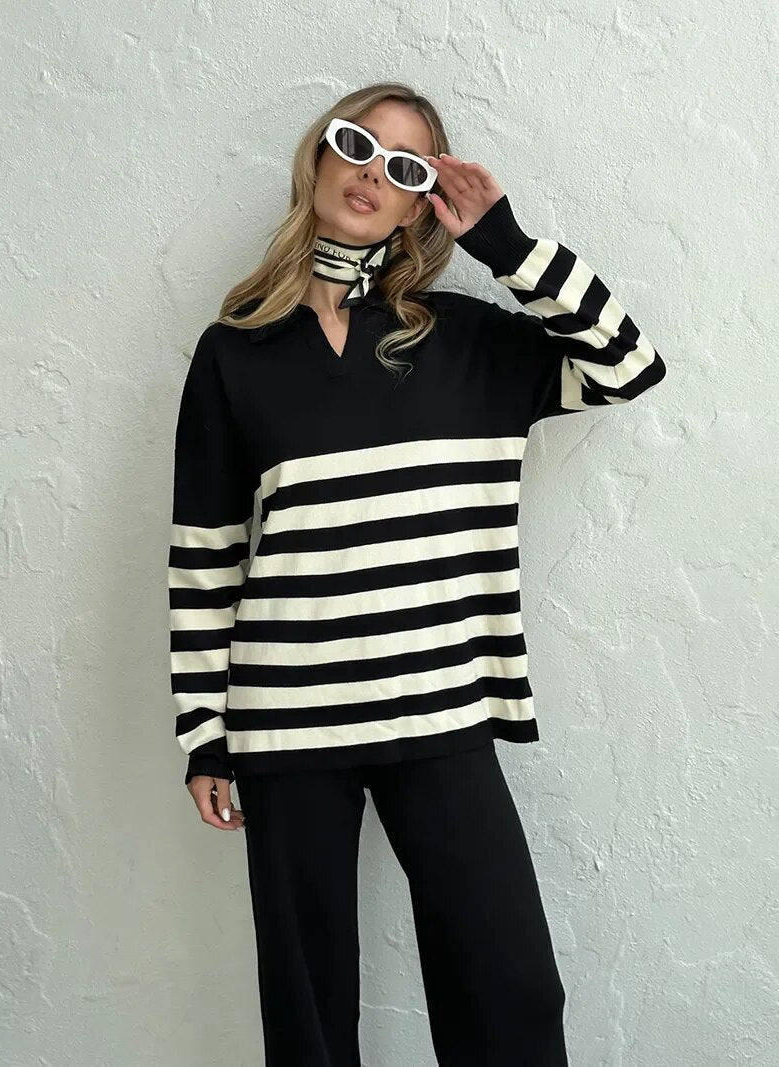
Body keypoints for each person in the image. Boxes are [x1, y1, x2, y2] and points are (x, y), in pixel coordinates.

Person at [167, 81, 666, 1066]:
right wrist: (204, 734)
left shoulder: (467, 341)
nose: (370, 173)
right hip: (285, 720)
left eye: (403, 166)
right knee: (309, 1014)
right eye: (356, 145)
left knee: (511, 989)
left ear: (415, 206)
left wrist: (503, 241)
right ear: (318, 158)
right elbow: (205, 552)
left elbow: (628, 365)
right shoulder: (236, 354)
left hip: (440, 708)